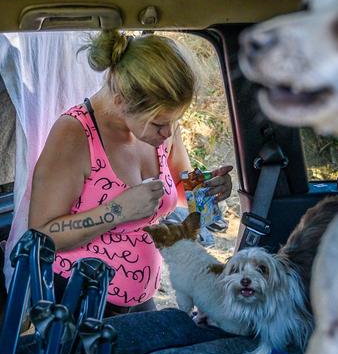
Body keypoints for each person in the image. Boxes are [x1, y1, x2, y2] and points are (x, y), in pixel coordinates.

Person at [29, 30, 233, 315]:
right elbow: (41, 235)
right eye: (160, 124)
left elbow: (180, 186)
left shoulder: (161, 130)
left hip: (142, 296)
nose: (169, 132)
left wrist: (209, 189)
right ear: (122, 100)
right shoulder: (75, 134)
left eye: (175, 122)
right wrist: (117, 211)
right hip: (80, 300)